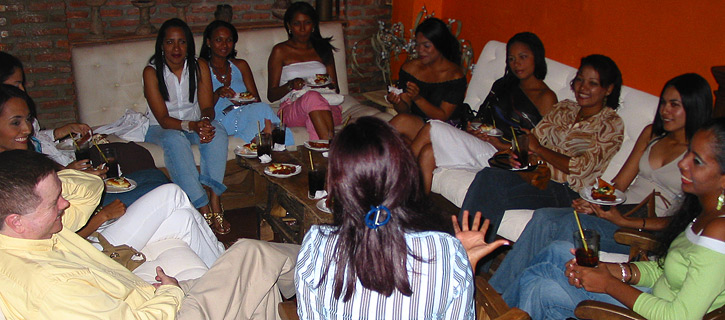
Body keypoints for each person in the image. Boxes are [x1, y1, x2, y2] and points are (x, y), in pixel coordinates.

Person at [0, 149, 300, 319]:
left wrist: (50, 181)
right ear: (17, 221)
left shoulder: (35, 234)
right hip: (162, 312)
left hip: (146, 295)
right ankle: (331, 258)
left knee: (260, 282)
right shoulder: (49, 286)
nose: (65, 205)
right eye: (55, 203)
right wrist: (171, 292)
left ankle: (323, 269)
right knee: (252, 254)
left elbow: (88, 190)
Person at [489, 73, 714, 296]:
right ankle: (496, 293)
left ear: (694, 107)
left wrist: (625, 220)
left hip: (645, 228)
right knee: (544, 217)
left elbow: (685, 221)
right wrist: (594, 202)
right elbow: (619, 184)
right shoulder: (652, 134)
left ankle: (506, 299)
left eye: (675, 105)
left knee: (565, 225)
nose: (665, 110)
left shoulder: (701, 156)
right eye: (664, 103)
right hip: (617, 212)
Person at [506, 118, 725, 320]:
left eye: (696, 160)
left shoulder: (719, 231)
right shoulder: (705, 213)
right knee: (544, 279)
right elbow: (665, 270)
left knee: (541, 277)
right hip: (654, 297)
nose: (683, 163)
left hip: (655, 313)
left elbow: (678, 317)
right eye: (688, 152)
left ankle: (494, 310)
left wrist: (608, 284)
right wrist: (614, 270)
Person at [295, 117, 508, 319]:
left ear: (336, 187)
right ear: (405, 176)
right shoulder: (446, 250)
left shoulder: (316, 246)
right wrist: (463, 264)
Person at [0, 84, 224, 268]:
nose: (28, 129)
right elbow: (58, 240)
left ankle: (224, 274)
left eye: (28, 120)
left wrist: (74, 176)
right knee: (171, 193)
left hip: (92, 234)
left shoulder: (20, 161)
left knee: (182, 218)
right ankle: (228, 268)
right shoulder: (9, 180)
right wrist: (102, 216)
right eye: (16, 122)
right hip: (82, 250)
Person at [460, 54, 625, 249]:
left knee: (495, 185)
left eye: (593, 83)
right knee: (489, 176)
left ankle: (469, 254)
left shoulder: (610, 124)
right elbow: (533, 140)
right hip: (535, 174)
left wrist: (538, 149)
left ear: (609, 89)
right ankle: (465, 248)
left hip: (566, 190)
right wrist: (517, 154)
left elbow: (581, 168)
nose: (582, 88)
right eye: (580, 80)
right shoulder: (565, 107)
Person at [0, 51, 170, 207]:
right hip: (77, 198)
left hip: (72, 177)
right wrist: (73, 176)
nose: (27, 129)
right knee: (164, 192)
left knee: (149, 170)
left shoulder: (21, 145)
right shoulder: (12, 167)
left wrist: (60, 137)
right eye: (16, 84)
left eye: (27, 120)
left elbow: (38, 147)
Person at [410, 32, 557, 192]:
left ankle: (394, 177)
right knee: (428, 152)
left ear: (536, 56)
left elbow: (541, 146)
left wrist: (500, 144)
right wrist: (473, 130)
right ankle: (416, 209)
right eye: (511, 59)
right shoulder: (503, 84)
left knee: (433, 127)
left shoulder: (546, 97)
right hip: (483, 146)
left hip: (504, 157)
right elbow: (480, 118)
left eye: (523, 57)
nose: (516, 64)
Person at [143, 18, 230, 234]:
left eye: (182, 42)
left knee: (218, 132)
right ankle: (202, 206)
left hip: (194, 124)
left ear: (189, 44)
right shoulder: (152, 72)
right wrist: (192, 125)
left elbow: (208, 106)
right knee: (175, 139)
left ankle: (215, 199)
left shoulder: (199, 65)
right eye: (170, 42)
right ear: (161, 45)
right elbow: (163, 118)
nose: (176, 48)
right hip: (161, 128)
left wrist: (206, 123)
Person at [200, 20, 294, 145]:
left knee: (262, 108)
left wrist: (243, 100)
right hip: (221, 118)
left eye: (229, 40)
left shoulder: (241, 65)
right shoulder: (202, 68)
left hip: (246, 113)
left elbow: (255, 99)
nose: (224, 45)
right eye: (218, 40)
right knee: (263, 113)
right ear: (208, 42)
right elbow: (203, 107)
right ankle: (273, 146)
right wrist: (217, 93)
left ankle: (264, 146)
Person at [267, 1, 341, 140]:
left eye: (307, 23)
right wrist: (290, 85)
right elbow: (271, 95)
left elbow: (336, 88)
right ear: (289, 26)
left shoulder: (323, 48)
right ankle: (330, 151)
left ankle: (323, 154)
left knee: (314, 108)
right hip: (292, 109)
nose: (302, 28)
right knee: (312, 98)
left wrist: (327, 84)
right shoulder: (280, 51)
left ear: (313, 25)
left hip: (328, 106)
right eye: (296, 23)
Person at [387, 17, 467, 143]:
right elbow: (405, 110)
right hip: (419, 124)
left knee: (404, 128)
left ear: (440, 45)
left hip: (447, 129)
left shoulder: (454, 75)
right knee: (401, 126)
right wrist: (396, 101)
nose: (420, 50)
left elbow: (442, 116)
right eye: (417, 45)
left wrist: (417, 98)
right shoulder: (410, 68)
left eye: (426, 46)